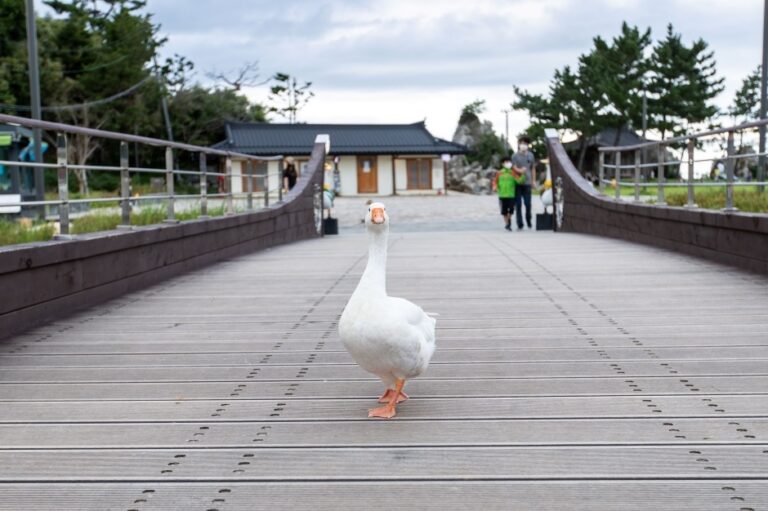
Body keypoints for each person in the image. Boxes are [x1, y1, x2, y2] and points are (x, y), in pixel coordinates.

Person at [512, 136, 536, 230]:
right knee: (518, 204)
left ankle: (528, 220)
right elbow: (512, 167)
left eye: (525, 144)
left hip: (527, 183)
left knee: (527, 203)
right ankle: (520, 223)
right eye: (522, 143)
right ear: (518, 144)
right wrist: (519, 170)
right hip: (517, 183)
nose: (523, 145)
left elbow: (533, 168)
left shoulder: (531, 155)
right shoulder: (514, 156)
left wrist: (533, 181)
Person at [492, 155, 516, 231]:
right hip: (502, 195)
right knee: (504, 211)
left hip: (511, 194)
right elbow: (495, 181)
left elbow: (519, 180)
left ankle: (509, 221)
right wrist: (495, 187)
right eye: (506, 162)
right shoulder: (499, 173)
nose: (508, 163)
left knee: (511, 210)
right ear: (503, 164)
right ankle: (507, 224)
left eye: (509, 162)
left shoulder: (513, 172)